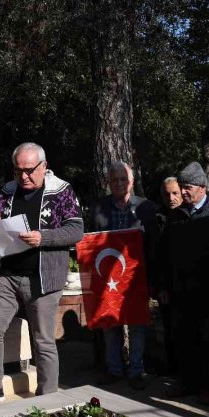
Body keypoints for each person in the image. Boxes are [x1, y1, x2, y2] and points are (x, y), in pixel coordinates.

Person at [0, 142, 83, 407]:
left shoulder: (62, 191)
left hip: (44, 277)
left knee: (42, 340)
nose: (24, 176)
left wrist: (44, 237)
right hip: (8, 274)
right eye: (18, 171)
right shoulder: (7, 190)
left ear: (44, 166)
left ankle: (47, 398)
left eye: (30, 170)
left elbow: (76, 231)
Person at [159, 162, 209, 404]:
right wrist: (164, 286)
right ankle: (187, 382)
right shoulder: (176, 216)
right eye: (181, 187)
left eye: (188, 187)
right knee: (183, 339)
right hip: (181, 291)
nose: (183, 192)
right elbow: (164, 254)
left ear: (203, 187)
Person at [92, 162, 158, 389]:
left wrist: (152, 279)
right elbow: (92, 242)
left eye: (124, 179)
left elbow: (153, 245)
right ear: (108, 183)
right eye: (115, 180)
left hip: (136, 277)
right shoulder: (99, 207)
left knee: (137, 324)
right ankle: (114, 369)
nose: (119, 183)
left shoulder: (147, 208)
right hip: (107, 278)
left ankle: (137, 371)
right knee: (110, 325)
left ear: (131, 181)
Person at [156, 176, 182, 372]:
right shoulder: (158, 219)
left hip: (188, 283)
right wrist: (161, 285)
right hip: (167, 284)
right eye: (167, 194)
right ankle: (173, 368)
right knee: (170, 329)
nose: (171, 198)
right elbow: (157, 255)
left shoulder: (189, 216)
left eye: (175, 193)